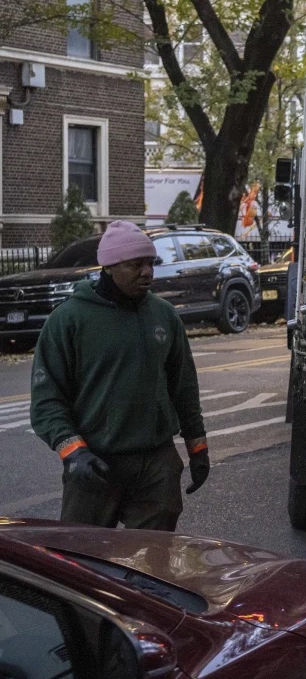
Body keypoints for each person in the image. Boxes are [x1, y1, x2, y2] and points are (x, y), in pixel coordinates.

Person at [31, 221, 209, 530]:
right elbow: (47, 401)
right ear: (110, 265)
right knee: (84, 559)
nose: (148, 272)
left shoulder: (164, 316)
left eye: (151, 263)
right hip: (95, 463)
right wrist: (74, 454)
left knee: (153, 562)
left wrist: (198, 447)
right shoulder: (69, 320)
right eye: (136, 264)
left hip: (155, 465)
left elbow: (184, 387)